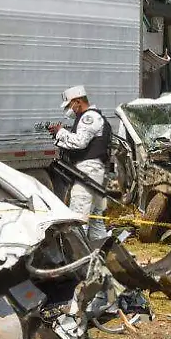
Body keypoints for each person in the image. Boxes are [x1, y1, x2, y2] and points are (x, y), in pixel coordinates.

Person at [49, 85, 112, 245]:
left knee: (78, 219)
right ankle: (102, 253)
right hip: (93, 172)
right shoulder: (92, 117)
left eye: (70, 105)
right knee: (96, 221)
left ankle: (77, 259)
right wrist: (60, 137)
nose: (70, 110)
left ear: (78, 101)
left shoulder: (88, 117)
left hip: (87, 172)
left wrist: (61, 132)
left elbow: (80, 143)